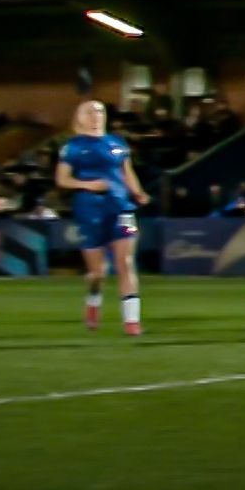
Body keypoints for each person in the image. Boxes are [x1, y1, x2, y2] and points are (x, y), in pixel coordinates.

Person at [55, 100, 151, 335]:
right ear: (80, 117)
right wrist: (87, 185)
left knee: (126, 262)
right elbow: (62, 180)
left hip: (122, 209)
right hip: (89, 211)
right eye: (90, 111)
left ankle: (131, 321)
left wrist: (138, 193)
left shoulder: (117, 144)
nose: (96, 115)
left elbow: (127, 173)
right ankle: (93, 301)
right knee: (98, 271)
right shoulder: (73, 147)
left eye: (100, 111)